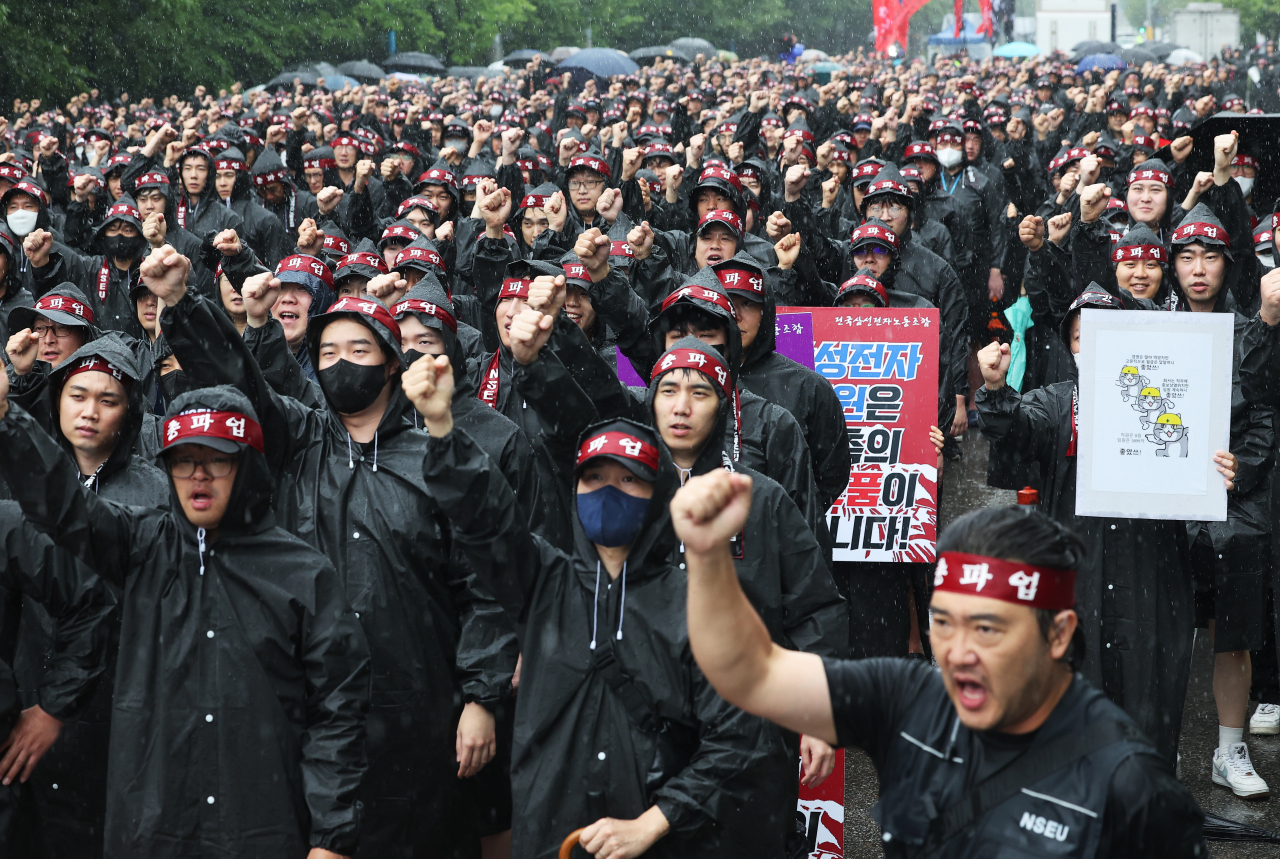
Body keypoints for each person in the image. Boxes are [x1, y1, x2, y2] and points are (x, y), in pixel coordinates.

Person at [678, 483, 1208, 857]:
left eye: (988, 629)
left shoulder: (1133, 786)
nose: (957, 653)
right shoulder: (908, 699)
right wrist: (706, 557)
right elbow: (751, 673)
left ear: (1060, 633)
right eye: (943, 624)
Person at [0, 348, 371, 856]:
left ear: (249, 466)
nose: (199, 475)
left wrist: (330, 839)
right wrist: (8, 420)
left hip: (261, 825)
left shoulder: (304, 575)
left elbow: (339, 714)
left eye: (218, 459)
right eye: (183, 461)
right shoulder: (141, 545)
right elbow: (64, 507)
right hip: (153, 824)